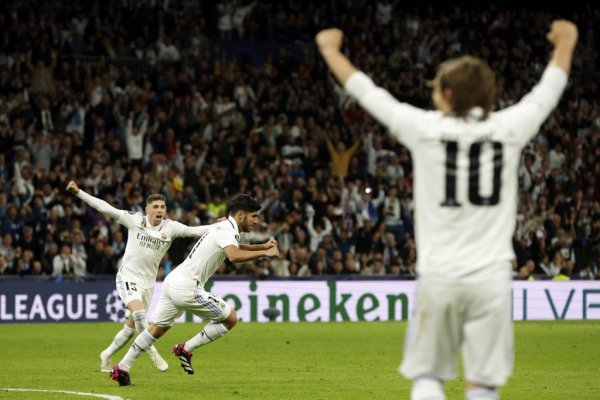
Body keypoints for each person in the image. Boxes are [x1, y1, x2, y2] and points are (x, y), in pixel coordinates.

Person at [316, 19, 577, 400]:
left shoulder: (425, 128)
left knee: (427, 378)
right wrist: (566, 43)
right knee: (484, 385)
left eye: (437, 87)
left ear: (448, 95)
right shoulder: (510, 127)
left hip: (439, 277)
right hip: (491, 279)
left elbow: (369, 93)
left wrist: (330, 51)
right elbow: (548, 89)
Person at [110, 193, 280, 386]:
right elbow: (233, 255)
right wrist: (264, 253)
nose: (256, 221)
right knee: (230, 318)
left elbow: (234, 245)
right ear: (241, 215)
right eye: (253, 216)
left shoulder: (223, 228)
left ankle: (122, 368)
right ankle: (185, 348)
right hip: (187, 288)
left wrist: (261, 245)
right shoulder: (227, 229)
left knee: (155, 330)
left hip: (172, 281)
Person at [66, 181, 214, 373]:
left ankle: (106, 354)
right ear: (147, 209)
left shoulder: (171, 227)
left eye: (162, 207)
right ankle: (153, 353)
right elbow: (105, 207)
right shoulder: (134, 220)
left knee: (129, 329)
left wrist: (218, 227)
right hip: (127, 277)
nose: (160, 210)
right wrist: (79, 193)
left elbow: (195, 231)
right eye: (155, 207)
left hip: (148, 284)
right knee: (139, 314)